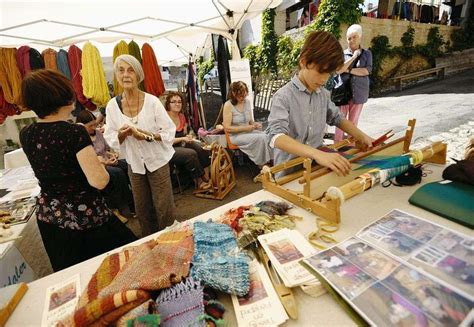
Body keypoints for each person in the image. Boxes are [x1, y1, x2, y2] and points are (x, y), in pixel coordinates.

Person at [19, 69, 136, 272]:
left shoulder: (26, 133)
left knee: (74, 277)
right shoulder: (74, 132)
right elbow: (99, 181)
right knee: (122, 268)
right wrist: (101, 166)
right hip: (85, 219)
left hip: (50, 218)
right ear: (61, 96)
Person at [266, 30, 374, 178]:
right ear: (304, 61)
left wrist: (363, 137)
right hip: (289, 175)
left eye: (329, 74)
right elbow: (276, 137)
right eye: (320, 71)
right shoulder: (283, 97)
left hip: (316, 170)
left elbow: (337, 118)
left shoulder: (322, 94)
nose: (324, 79)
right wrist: (317, 154)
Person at [104, 54, 176, 237]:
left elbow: (169, 131)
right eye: (121, 70)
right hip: (134, 164)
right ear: (116, 75)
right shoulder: (112, 106)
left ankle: (170, 240)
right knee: (142, 207)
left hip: (157, 161)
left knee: (163, 206)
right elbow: (110, 136)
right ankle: (150, 242)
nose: (126, 75)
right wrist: (121, 135)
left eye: (130, 70)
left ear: (138, 75)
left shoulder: (152, 101)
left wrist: (145, 135)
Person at [76, 109, 134, 219]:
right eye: (90, 126)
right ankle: (125, 204)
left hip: (107, 160)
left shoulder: (98, 133)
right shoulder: (81, 138)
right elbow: (90, 159)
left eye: (95, 124)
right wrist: (106, 162)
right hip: (97, 165)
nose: (94, 128)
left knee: (128, 165)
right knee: (117, 173)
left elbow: (106, 149)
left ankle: (133, 197)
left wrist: (112, 155)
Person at [165, 91, 211, 191]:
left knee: (201, 148)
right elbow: (165, 141)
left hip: (179, 145)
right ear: (168, 104)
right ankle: (199, 181)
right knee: (191, 154)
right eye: (174, 102)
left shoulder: (181, 116)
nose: (177, 104)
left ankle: (206, 177)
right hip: (167, 149)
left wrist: (189, 136)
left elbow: (184, 133)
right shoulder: (164, 118)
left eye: (179, 102)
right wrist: (183, 139)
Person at [334, 24, 373, 142]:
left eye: (354, 37)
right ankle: (337, 145)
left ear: (360, 37)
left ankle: (350, 147)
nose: (351, 40)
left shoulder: (367, 54)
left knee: (353, 122)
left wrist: (349, 70)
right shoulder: (342, 54)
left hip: (359, 92)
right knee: (340, 121)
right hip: (343, 93)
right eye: (349, 38)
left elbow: (366, 71)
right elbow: (338, 70)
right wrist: (353, 57)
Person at [223, 81, 271, 167]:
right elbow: (227, 128)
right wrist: (246, 128)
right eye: (240, 96)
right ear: (233, 93)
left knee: (268, 135)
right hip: (235, 136)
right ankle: (262, 165)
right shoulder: (228, 105)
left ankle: (270, 162)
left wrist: (255, 125)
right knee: (262, 138)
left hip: (248, 132)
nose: (243, 98)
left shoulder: (247, 102)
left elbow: (250, 122)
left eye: (244, 95)